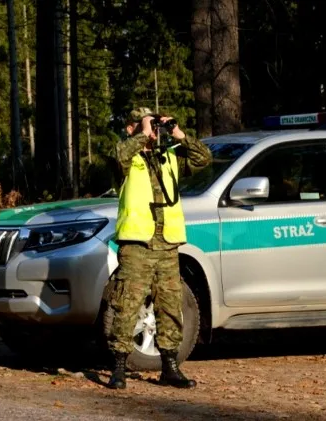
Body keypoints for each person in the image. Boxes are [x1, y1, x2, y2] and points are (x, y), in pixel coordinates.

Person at [107, 107, 212, 390]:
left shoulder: (169, 157)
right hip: (137, 245)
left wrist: (176, 132)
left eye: (155, 124)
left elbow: (204, 158)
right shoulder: (128, 159)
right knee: (127, 305)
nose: (153, 130)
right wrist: (143, 134)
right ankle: (119, 366)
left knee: (170, 307)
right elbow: (119, 156)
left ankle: (170, 366)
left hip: (167, 244)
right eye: (147, 124)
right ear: (132, 129)